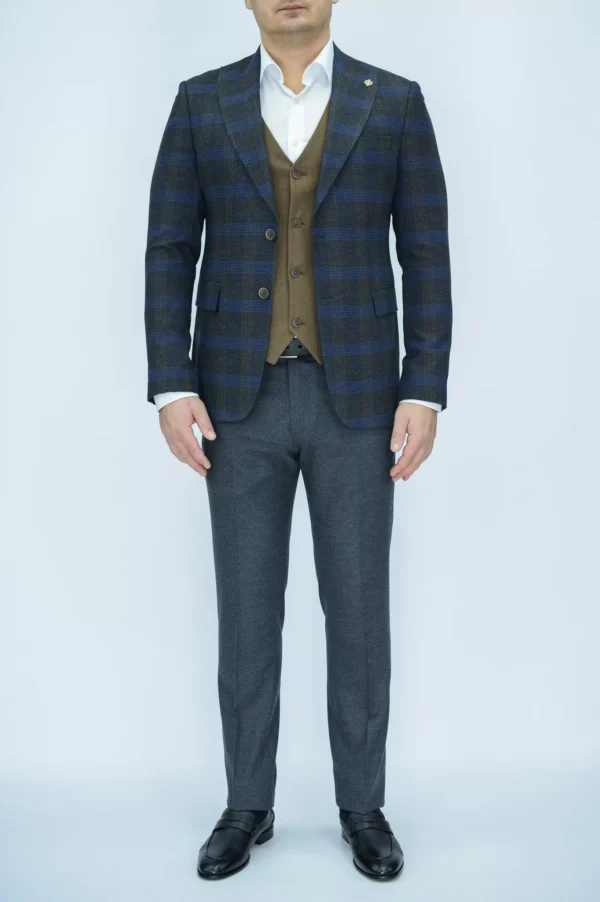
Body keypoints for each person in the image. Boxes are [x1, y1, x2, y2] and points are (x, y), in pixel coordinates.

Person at [144, 0, 452, 881]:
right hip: (234, 401)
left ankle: (363, 806)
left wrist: (423, 387)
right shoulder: (201, 102)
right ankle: (248, 802)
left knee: (358, 610)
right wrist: (172, 381)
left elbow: (425, 253)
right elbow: (171, 248)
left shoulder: (394, 102)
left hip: (359, 397)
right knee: (247, 611)